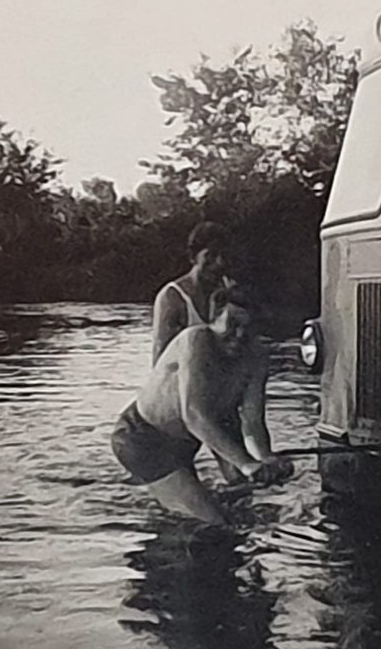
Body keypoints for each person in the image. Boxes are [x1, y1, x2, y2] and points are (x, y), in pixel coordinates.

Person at [112, 286, 275, 526]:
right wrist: (245, 463)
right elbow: (194, 415)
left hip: (189, 442)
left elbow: (253, 420)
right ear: (213, 320)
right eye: (232, 324)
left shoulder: (257, 356)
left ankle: (180, 500)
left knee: (245, 504)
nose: (239, 335)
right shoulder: (196, 340)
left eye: (248, 328)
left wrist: (266, 459)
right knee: (214, 522)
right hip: (144, 439)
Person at [151, 221, 233, 366]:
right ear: (193, 257)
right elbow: (160, 361)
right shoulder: (172, 297)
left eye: (224, 255)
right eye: (210, 255)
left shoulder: (233, 292)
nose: (219, 263)